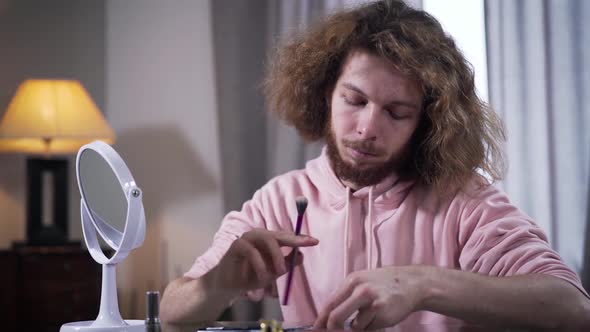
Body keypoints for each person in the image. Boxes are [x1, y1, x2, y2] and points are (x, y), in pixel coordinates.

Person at [160, 0, 590, 329]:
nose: (367, 128)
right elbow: (172, 314)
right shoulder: (280, 200)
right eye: (355, 100)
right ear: (326, 91)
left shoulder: (464, 202)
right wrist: (217, 283)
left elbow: (572, 308)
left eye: (397, 112)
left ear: (427, 121)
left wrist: (422, 285)